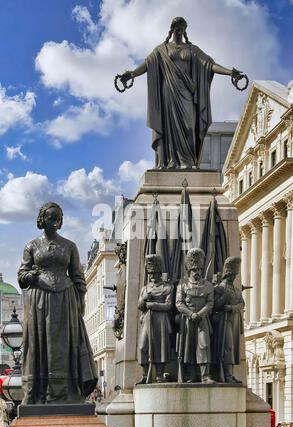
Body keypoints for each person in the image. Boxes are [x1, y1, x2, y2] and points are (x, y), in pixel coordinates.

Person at [119, 17, 244, 169]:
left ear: (185, 32)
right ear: (171, 30)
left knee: (189, 125)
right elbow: (147, 65)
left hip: (187, 92)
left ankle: (188, 161)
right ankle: (171, 161)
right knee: (169, 127)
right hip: (169, 92)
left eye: (182, 29)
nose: (179, 31)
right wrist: (132, 74)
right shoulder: (161, 50)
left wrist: (230, 72)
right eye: (177, 29)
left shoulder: (192, 50)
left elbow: (209, 65)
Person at [18, 202, 98, 404]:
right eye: (50, 218)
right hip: (40, 303)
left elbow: (78, 277)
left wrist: (80, 303)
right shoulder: (31, 246)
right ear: (41, 220)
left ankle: (67, 392)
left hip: (65, 300)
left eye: (57, 218)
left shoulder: (69, 246)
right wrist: (32, 276)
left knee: (64, 345)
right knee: (40, 344)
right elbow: (22, 276)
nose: (54, 222)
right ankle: (39, 392)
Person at [176, 248, 215, 383]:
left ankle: (205, 375)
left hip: (202, 319)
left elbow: (210, 303)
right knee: (190, 347)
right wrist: (191, 314)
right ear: (189, 271)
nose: (196, 272)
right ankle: (192, 375)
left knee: (203, 345)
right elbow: (179, 303)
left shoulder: (208, 285)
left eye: (198, 270)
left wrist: (199, 314)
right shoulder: (182, 285)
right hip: (188, 320)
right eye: (193, 270)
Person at [137, 254, 174, 384]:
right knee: (143, 346)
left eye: (154, 273)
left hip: (161, 320)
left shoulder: (167, 287)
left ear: (159, 272)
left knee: (161, 347)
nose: (152, 275)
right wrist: (144, 299)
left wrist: (153, 305)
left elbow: (168, 305)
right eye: (150, 273)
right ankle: (144, 374)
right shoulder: (145, 289)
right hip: (147, 320)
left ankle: (159, 374)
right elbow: (140, 306)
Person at [212, 257, 244, 383]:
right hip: (224, 321)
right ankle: (226, 374)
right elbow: (215, 305)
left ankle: (230, 373)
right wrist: (224, 299)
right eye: (231, 275)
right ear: (226, 274)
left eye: (234, 275)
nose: (233, 277)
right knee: (227, 347)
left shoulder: (236, 290)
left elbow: (242, 303)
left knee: (234, 348)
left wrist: (232, 307)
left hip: (235, 320)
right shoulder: (220, 288)